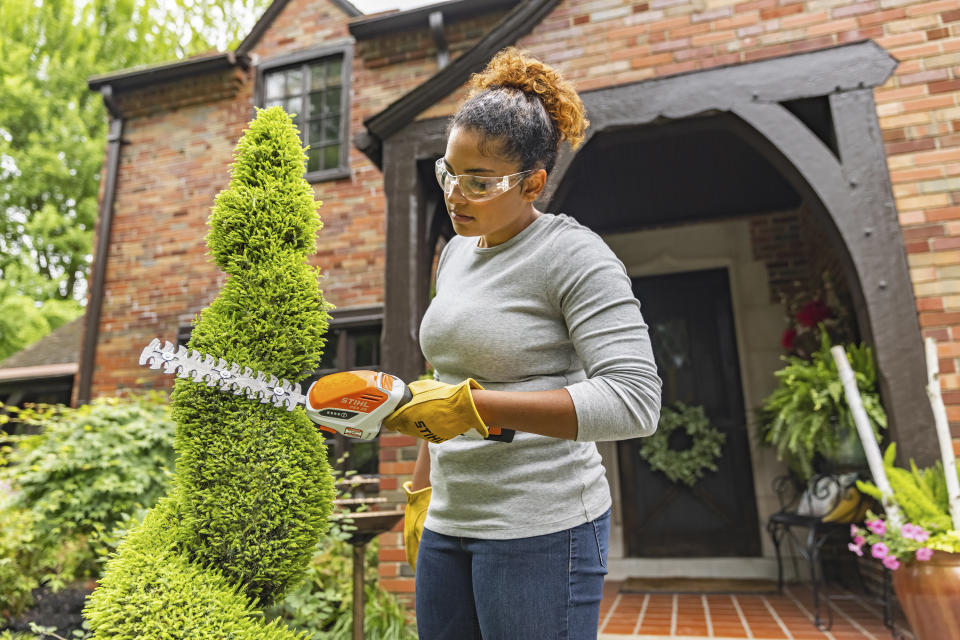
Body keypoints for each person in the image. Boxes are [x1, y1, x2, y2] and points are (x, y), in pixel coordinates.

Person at [382, 47, 662, 640]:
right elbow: (446, 375)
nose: (455, 195)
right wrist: (423, 486)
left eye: (479, 182)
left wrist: (476, 408)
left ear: (533, 182)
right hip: (448, 522)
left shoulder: (574, 257)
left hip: (540, 528)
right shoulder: (457, 252)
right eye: (448, 173)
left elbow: (635, 401)